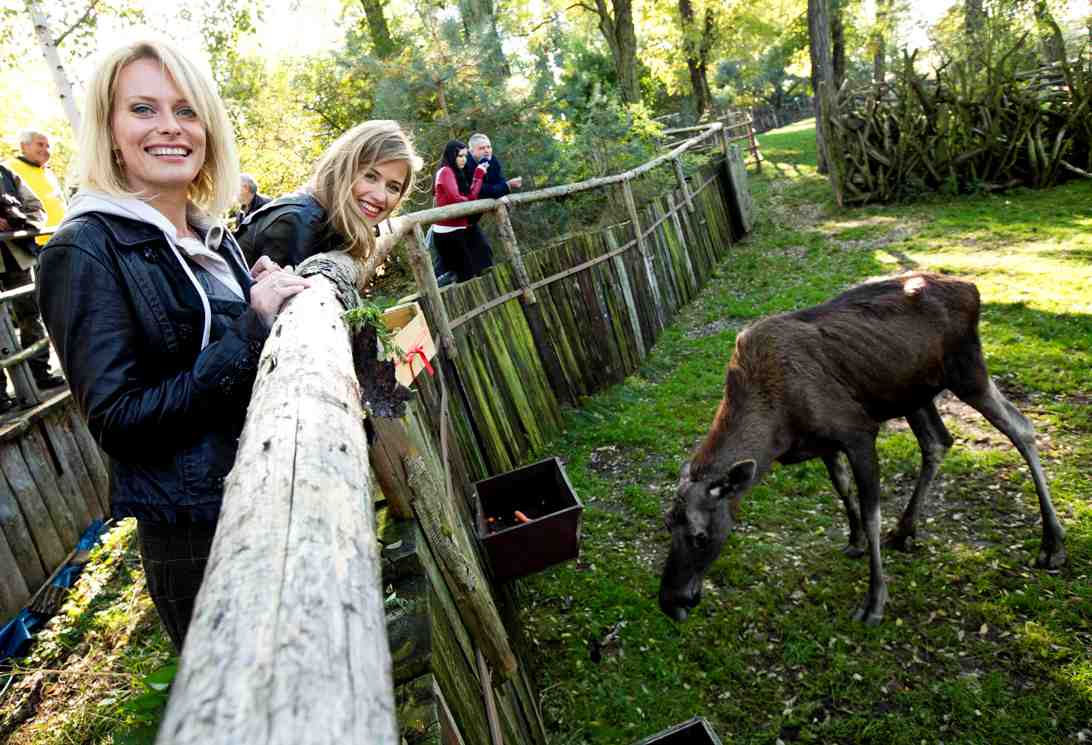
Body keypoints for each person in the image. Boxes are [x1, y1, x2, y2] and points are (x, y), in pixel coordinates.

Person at [37, 40, 310, 651]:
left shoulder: (207, 231)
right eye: (143, 109)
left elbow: (208, 339)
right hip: (200, 533)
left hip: (264, 488)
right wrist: (251, 325)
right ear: (108, 130)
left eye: (186, 110)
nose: (170, 127)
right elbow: (119, 422)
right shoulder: (83, 248)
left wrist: (252, 293)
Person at [236, 120, 422, 269]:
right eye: (370, 176)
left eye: (393, 187)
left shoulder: (335, 222)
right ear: (342, 169)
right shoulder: (296, 223)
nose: (380, 197)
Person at [0, 162, 62, 410]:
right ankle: (1, 395)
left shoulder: (6, 174)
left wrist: (18, 222)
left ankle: (41, 374)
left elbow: (36, 208)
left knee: (31, 315)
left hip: (17, 257)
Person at [461, 132, 523, 272]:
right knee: (452, 263)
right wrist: (507, 187)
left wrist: (501, 190)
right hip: (454, 220)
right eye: (482, 148)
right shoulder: (465, 165)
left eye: (489, 147)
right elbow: (480, 191)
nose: (487, 150)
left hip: (471, 222)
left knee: (484, 255)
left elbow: (498, 181)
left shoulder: (491, 160)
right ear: (471, 151)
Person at [432, 140, 488, 283]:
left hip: (460, 230)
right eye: (460, 156)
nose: (464, 159)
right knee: (464, 276)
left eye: (465, 156)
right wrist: (469, 201)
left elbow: (471, 197)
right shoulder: (445, 171)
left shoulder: (458, 173)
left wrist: (478, 175)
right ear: (452, 156)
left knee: (478, 268)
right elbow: (456, 199)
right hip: (448, 233)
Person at [4, 129, 67, 248]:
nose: (45, 150)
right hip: (33, 244)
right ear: (24, 146)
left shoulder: (48, 172)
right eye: (40, 144)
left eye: (48, 146)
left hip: (62, 238)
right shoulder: (8, 168)